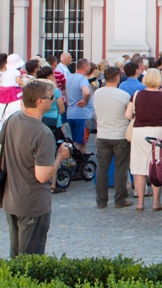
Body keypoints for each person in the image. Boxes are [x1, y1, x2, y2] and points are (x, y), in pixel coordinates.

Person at [2, 80, 70, 257]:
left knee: (16, 257)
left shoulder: (12, 119)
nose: (54, 100)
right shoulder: (43, 133)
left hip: (11, 199)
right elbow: (42, 175)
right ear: (39, 101)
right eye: (51, 97)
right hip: (32, 203)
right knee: (30, 260)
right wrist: (60, 157)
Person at [125, 68, 162, 211]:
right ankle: (156, 202)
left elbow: (127, 114)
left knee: (139, 165)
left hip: (139, 131)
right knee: (157, 164)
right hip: (159, 130)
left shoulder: (137, 95)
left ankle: (140, 202)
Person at [93, 66, 133, 209]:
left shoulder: (97, 93)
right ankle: (120, 199)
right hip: (120, 134)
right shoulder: (123, 95)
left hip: (103, 134)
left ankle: (101, 200)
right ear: (117, 77)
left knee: (102, 168)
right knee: (121, 168)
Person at [35, 67, 66, 194]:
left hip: (40, 121)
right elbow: (62, 109)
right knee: (54, 153)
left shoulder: (35, 90)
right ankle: (52, 184)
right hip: (54, 123)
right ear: (48, 76)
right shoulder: (55, 91)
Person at [65, 58, 94, 152]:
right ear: (86, 68)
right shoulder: (82, 79)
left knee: (78, 140)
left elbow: (66, 94)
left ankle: (82, 162)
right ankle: (72, 161)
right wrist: (86, 100)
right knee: (80, 142)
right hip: (82, 114)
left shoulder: (70, 78)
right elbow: (86, 92)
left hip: (71, 113)